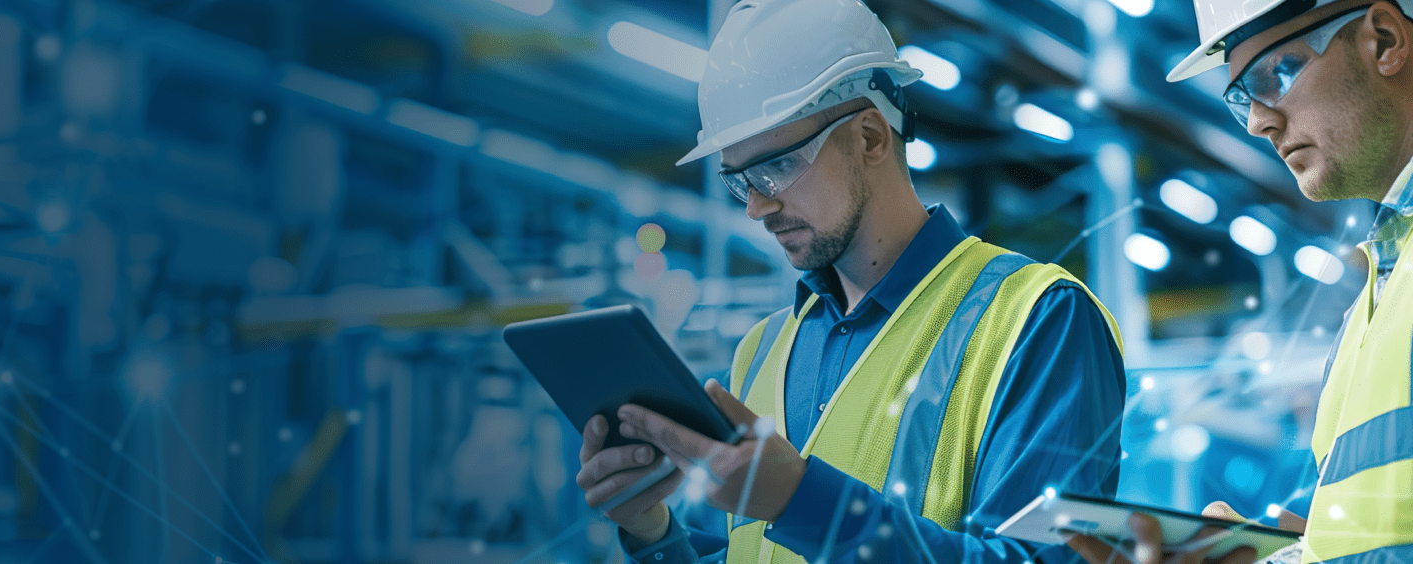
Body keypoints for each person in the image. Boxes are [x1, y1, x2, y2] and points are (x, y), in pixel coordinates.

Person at [573, 0, 1129, 562]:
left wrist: (804, 503)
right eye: (742, 182)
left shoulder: (1036, 319)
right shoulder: (760, 354)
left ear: (869, 137)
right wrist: (652, 531)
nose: (758, 208)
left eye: (777, 168)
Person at [1066, 1, 1413, 563]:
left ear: (1383, 39)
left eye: (1277, 73)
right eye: (1241, 98)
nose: (1257, 121)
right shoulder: (1375, 295)